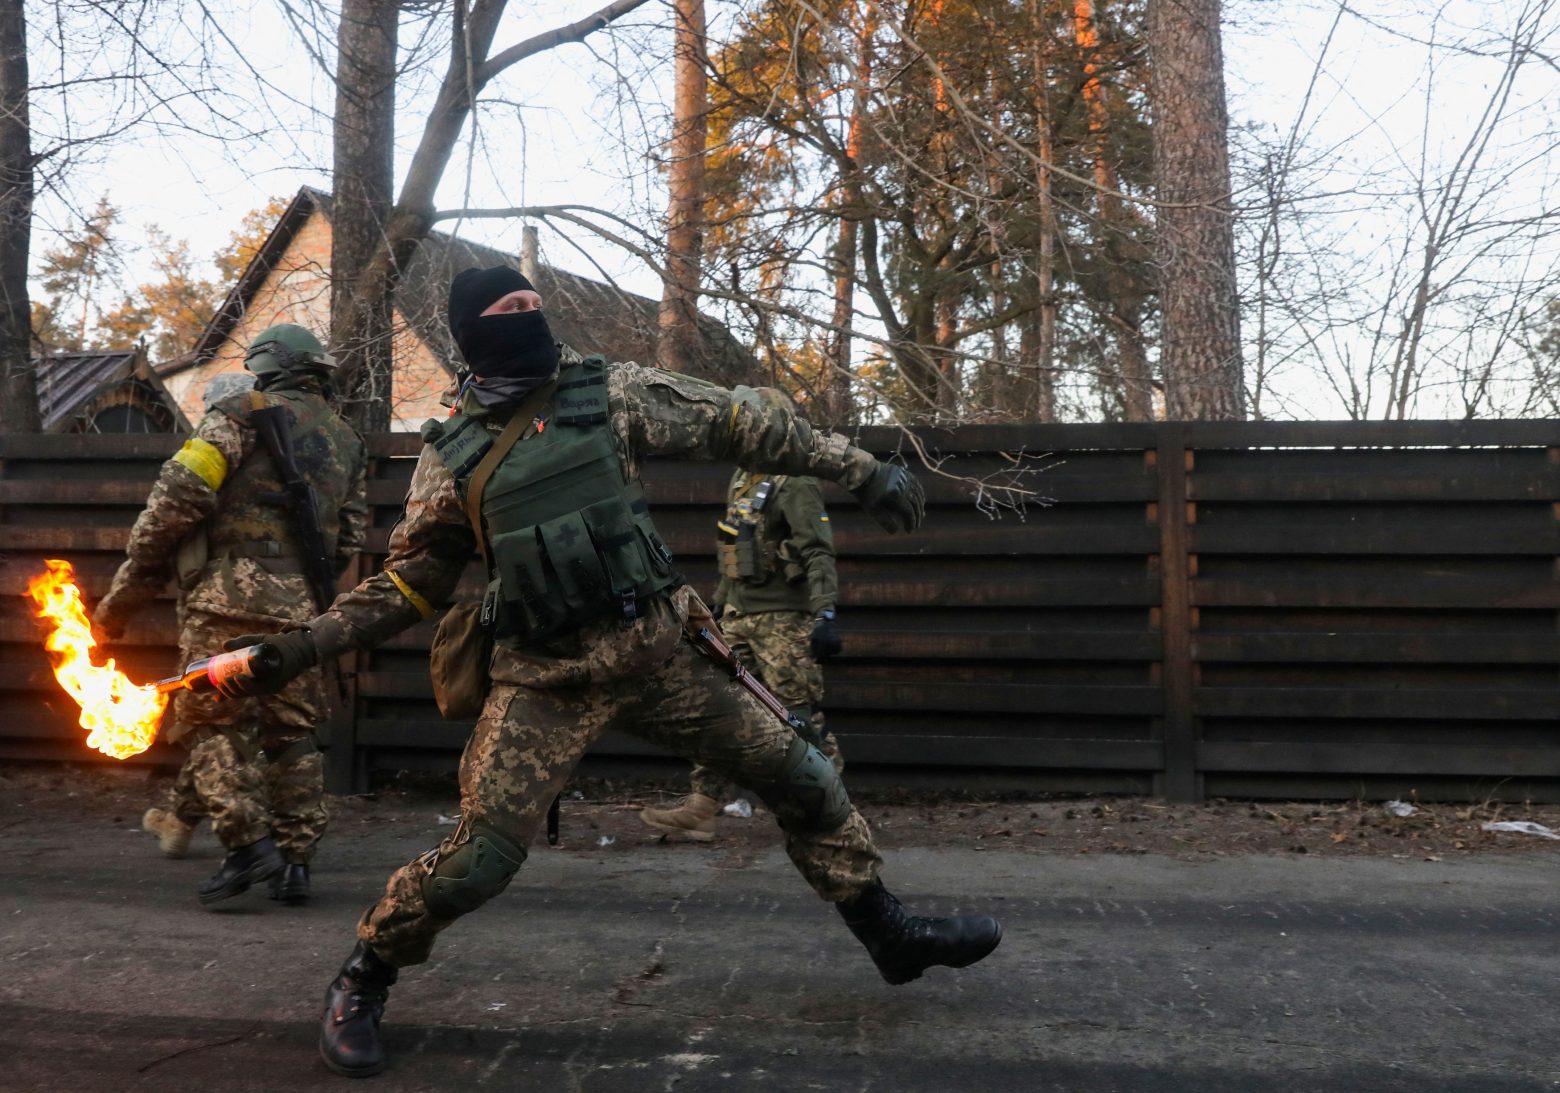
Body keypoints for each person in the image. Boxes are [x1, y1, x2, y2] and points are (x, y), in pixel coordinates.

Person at [198, 267, 1001, 1079]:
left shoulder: (607, 392)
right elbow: (410, 583)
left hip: (660, 655)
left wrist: (858, 468)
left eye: (534, 304)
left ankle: (889, 933)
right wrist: (296, 647)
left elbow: (738, 422)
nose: (530, 315)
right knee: (481, 858)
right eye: (510, 309)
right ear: (472, 333)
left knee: (807, 777)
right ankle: (365, 975)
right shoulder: (452, 456)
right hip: (544, 679)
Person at [93, 325, 367, 906]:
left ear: (266, 366)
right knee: (292, 733)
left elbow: (177, 499)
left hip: (223, 600)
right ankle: (296, 863)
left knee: (210, 723)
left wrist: (125, 594)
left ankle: (247, 845)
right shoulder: (348, 440)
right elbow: (350, 536)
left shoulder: (239, 413)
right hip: (302, 610)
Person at [641, 448, 844, 840]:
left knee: (798, 712)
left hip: (784, 619)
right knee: (718, 708)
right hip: (738, 615)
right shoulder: (742, 478)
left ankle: (830, 807)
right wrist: (718, 605)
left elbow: (818, 550)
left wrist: (825, 614)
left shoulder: (795, 482)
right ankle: (703, 808)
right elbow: (733, 550)